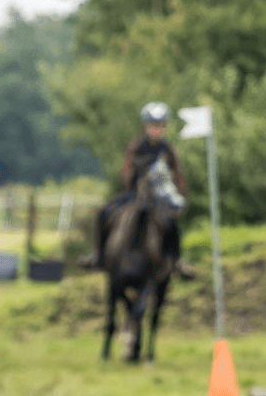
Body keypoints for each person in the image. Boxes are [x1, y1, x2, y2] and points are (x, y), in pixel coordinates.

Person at [83, 101, 196, 279]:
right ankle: (98, 255)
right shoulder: (136, 146)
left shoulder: (167, 149)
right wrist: (135, 181)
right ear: (146, 126)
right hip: (134, 194)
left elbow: (177, 173)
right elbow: (126, 171)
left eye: (160, 126)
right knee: (104, 211)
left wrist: (180, 194)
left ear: (165, 127)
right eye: (153, 126)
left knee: (171, 224)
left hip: (158, 200)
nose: (156, 130)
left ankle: (176, 260)